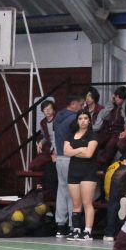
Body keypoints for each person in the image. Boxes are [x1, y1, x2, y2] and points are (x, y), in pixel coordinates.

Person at [63, 110, 99, 241]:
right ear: (77, 121)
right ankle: (76, 230)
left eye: (85, 118)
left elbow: (89, 154)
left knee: (87, 202)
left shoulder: (93, 135)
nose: (83, 121)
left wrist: (73, 151)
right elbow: (66, 152)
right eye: (80, 118)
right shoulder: (71, 135)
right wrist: (80, 149)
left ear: (89, 120)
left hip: (88, 172)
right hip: (73, 172)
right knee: (76, 203)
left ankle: (87, 231)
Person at [52, 94, 83, 237]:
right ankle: (72, 225)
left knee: (62, 190)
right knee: (73, 192)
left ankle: (60, 225)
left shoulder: (58, 116)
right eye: (81, 105)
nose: (82, 108)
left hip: (59, 158)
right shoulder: (74, 118)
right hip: (71, 158)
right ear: (74, 104)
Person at [93, 86, 126, 165]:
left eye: (119, 97)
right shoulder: (112, 106)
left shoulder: (125, 108)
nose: (117, 99)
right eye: (116, 96)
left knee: (111, 145)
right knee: (97, 141)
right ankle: (92, 160)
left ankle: (101, 164)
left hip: (118, 132)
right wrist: (110, 103)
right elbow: (104, 115)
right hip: (108, 130)